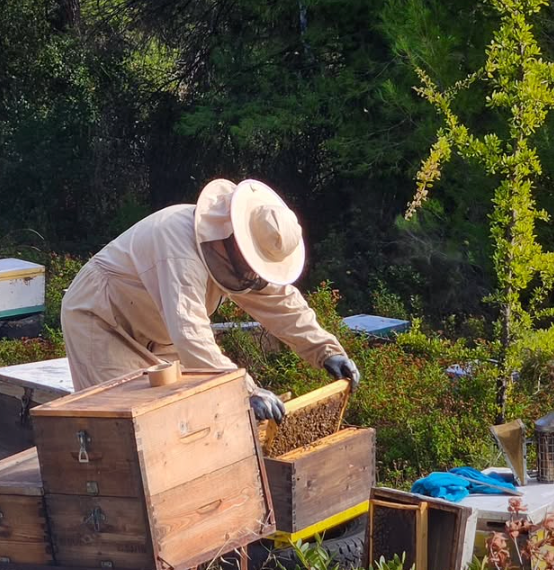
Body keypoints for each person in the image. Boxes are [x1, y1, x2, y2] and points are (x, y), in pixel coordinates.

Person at [60, 178, 360, 423]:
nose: (253, 277)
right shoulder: (178, 244)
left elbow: (280, 301)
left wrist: (325, 349)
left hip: (157, 330)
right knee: (125, 422)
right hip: (102, 322)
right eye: (252, 265)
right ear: (234, 236)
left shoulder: (235, 251)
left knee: (187, 419)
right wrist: (246, 389)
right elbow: (190, 332)